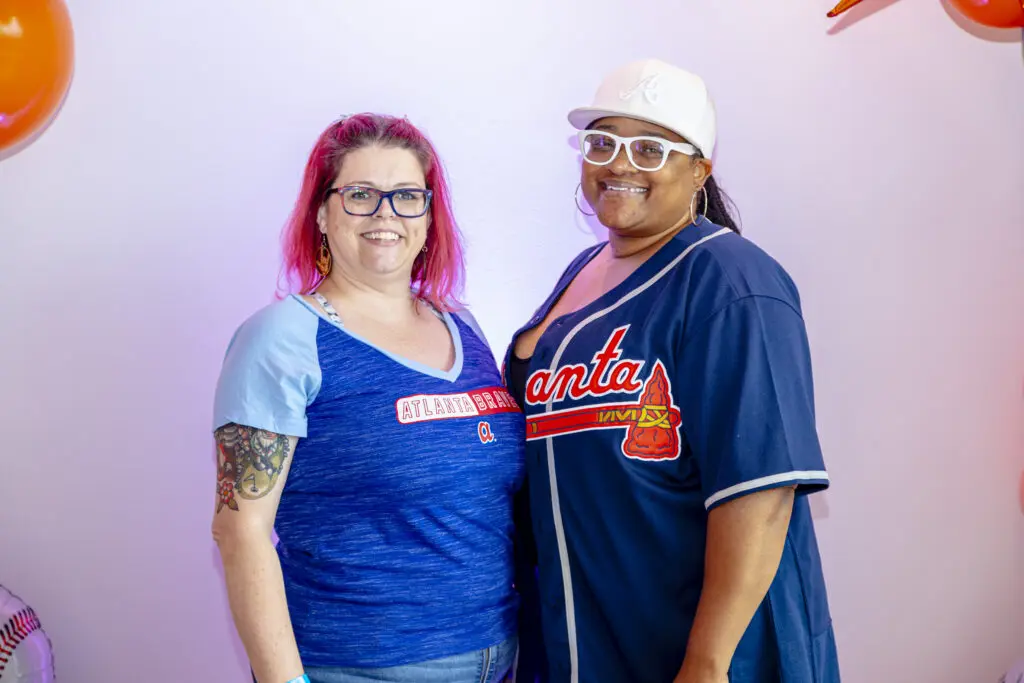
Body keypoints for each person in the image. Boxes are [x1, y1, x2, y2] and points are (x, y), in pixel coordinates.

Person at [504, 60, 841, 683]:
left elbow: (761, 492)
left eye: (651, 148)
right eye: (602, 142)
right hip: (591, 633)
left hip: (697, 646)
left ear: (699, 171)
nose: (620, 163)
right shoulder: (581, 271)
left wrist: (707, 664)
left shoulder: (733, 282)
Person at [211, 113, 523, 683]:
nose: (386, 215)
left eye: (406, 196)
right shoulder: (282, 339)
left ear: (430, 218)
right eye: (360, 195)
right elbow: (240, 529)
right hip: (358, 665)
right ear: (323, 214)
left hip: (497, 655)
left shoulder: (464, 327)